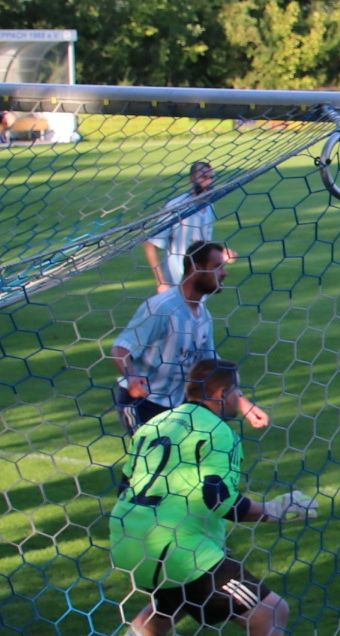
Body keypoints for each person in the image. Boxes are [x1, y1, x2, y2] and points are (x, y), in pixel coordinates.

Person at [82, 358, 321, 636]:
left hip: (129, 538)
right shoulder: (218, 432)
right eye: (237, 390)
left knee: (168, 606)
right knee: (270, 612)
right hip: (179, 547)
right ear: (221, 392)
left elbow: (128, 481)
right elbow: (220, 501)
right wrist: (275, 511)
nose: (239, 398)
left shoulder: (157, 422)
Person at [110, 239, 269, 436]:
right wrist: (132, 376)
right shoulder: (163, 307)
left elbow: (209, 365)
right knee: (154, 455)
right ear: (196, 268)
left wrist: (245, 405)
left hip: (177, 408)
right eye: (217, 267)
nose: (224, 273)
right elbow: (121, 348)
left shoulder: (203, 316)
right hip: (142, 404)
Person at [145, 161, 218, 293]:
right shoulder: (177, 206)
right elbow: (150, 244)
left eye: (211, 178)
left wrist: (221, 253)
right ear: (192, 179)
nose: (208, 182)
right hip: (176, 284)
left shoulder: (209, 206)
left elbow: (203, 242)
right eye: (203, 177)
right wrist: (161, 282)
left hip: (200, 282)